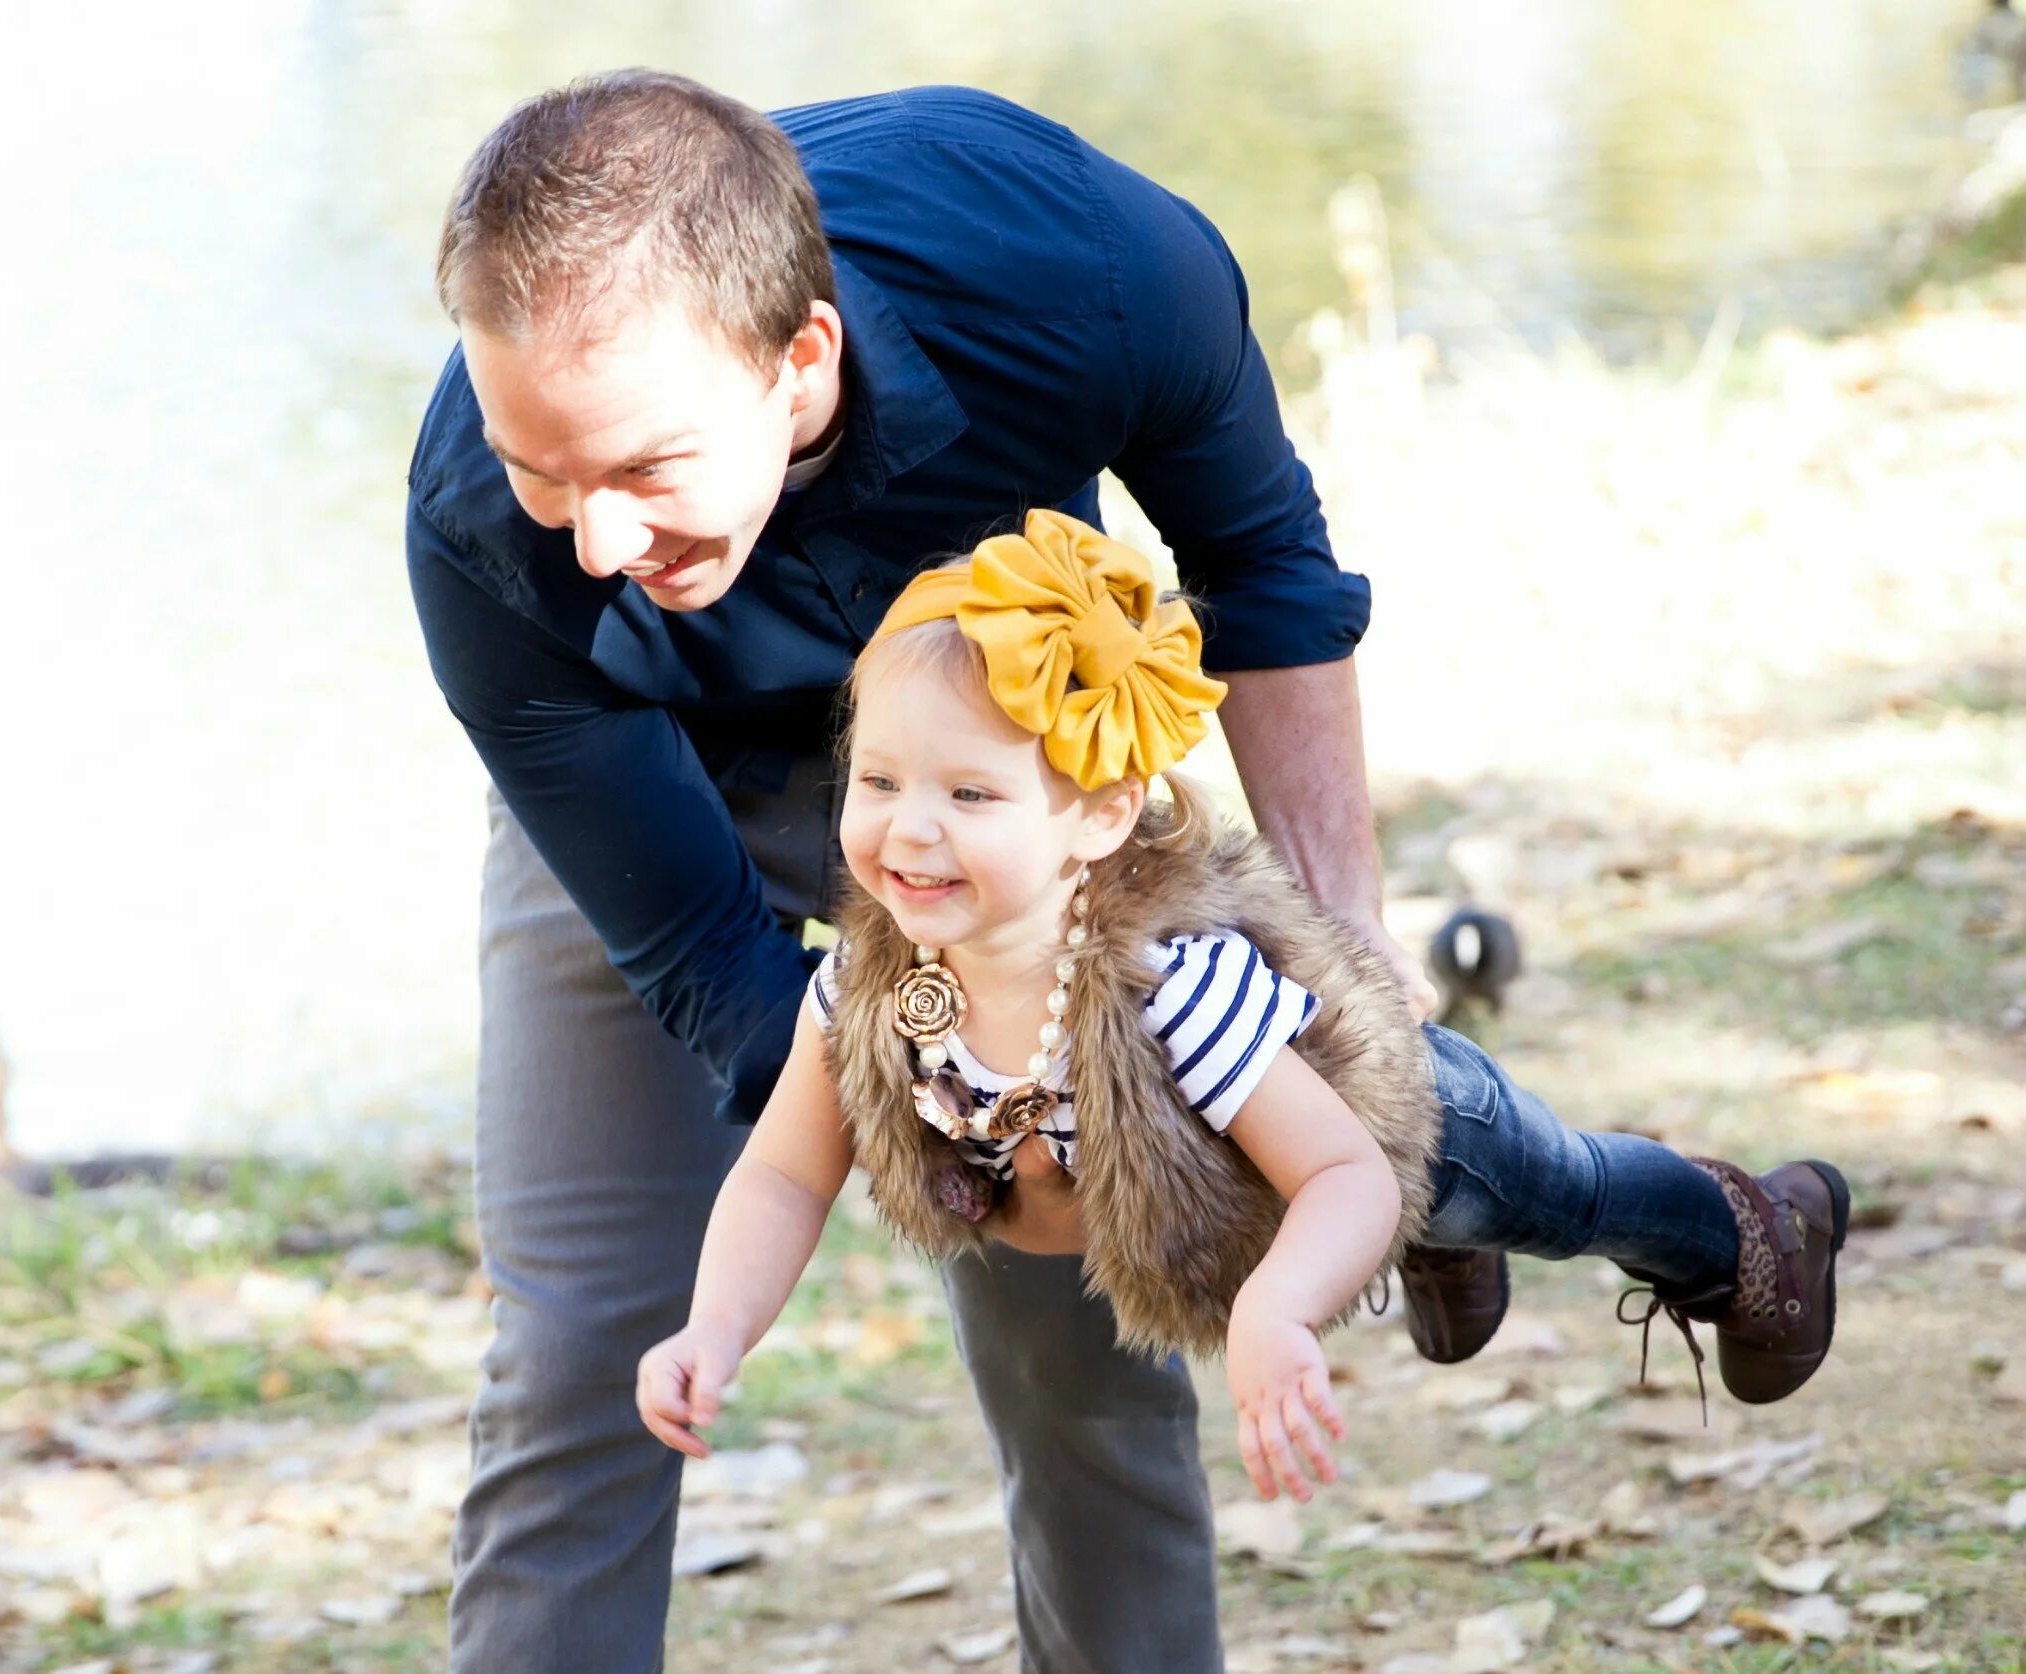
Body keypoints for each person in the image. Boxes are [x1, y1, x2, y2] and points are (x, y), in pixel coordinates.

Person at [410, 68, 1484, 1671]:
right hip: (649, 776)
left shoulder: (1091, 274)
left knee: (1094, 1302)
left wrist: (1346, 967)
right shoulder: (480, 537)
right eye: (542, 470)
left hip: (981, 745)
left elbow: (1262, 572)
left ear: (802, 365)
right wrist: (938, 1118)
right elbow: (723, 979)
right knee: (585, 1338)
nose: (594, 545)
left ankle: (1453, 1183)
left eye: (642, 470)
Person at [634, 513, 1852, 1510]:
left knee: (1558, 1191)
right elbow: (786, 1177)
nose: (908, 827)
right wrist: (714, 1329)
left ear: (1100, 817)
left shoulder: (1174, 994)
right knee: (1428, 1225)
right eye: (883, 779)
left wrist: (1276, 1308)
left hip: (1374, 1122)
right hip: (1268, 1182)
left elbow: (1345, 1179)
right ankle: (1445, 1251)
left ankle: (1754, 1229)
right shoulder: (866, 987)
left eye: (969, 791)